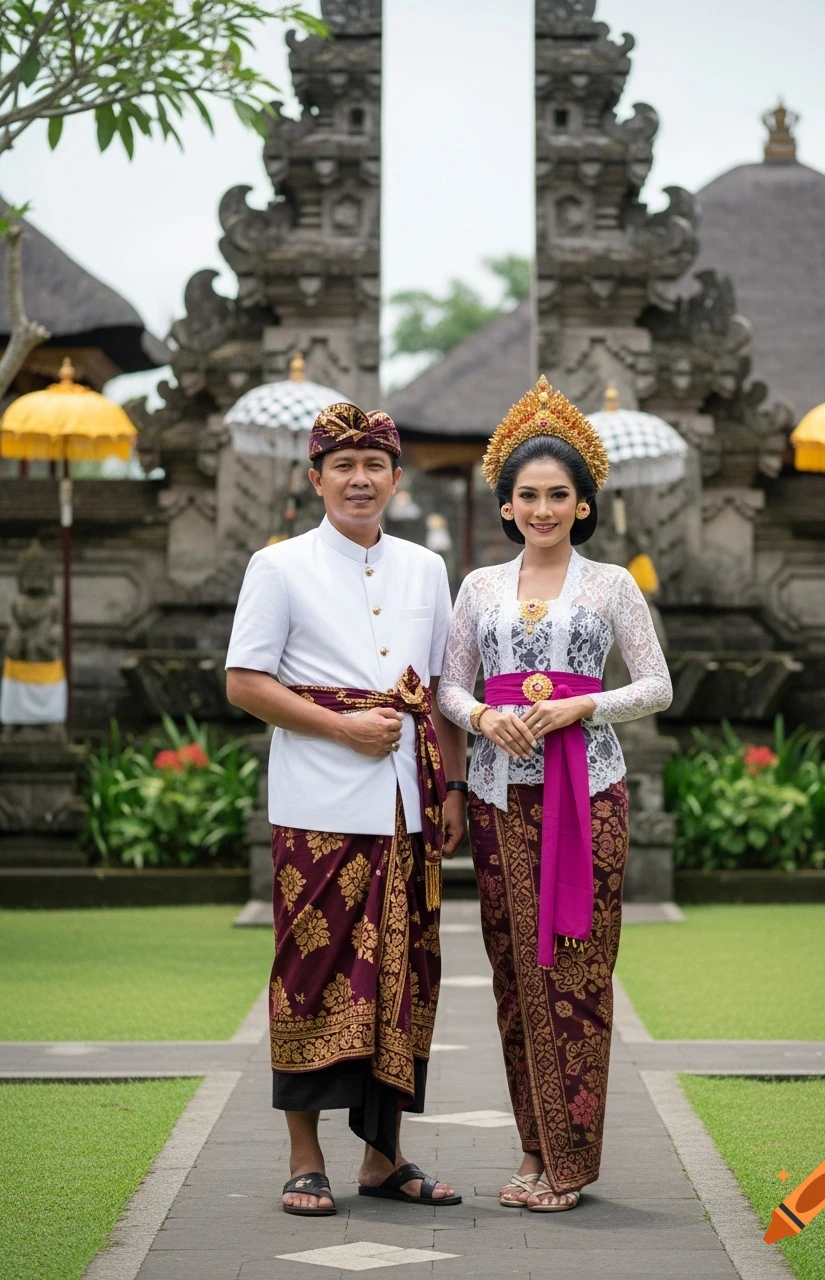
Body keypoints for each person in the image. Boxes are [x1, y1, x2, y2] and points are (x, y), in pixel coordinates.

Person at [437, 375, 672, 1212]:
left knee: (578, 969)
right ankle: (534, 1153)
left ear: (583, 505)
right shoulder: (478, 589)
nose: (541, 508)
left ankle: (572, 1163)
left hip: (591, 791)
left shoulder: (611, 586)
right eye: (526, 495)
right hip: (503, 795)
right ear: (505, 506)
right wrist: (484, 719)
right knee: (514, 973)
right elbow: (448, 689)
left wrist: (581, 703)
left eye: (557, 495)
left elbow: (655, 686)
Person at [226, 402, 467, 1217]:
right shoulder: (279, 566)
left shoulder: (428, 569)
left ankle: (384, 1157)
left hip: (408, 807)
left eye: (374, 466)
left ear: (397, 479)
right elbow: (245, 681)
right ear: (316, 478)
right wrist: (341, 727)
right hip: (317, 806)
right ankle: (304, 1158)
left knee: (405, 977)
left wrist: (456, 789)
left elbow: (436, 696)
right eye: (343, 466)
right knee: (310, 972)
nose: (359, 480)